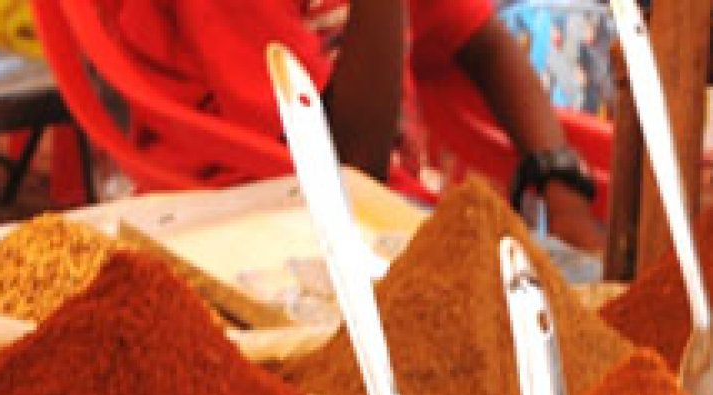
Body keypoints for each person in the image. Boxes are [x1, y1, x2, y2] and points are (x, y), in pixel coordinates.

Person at [106, 0, 605, 249]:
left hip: (384, 211)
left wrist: (564, 192)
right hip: (258, 223)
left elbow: (486, 46)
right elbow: (349, 165)